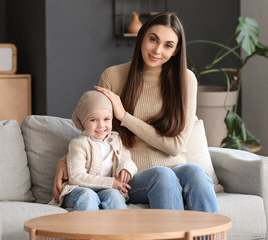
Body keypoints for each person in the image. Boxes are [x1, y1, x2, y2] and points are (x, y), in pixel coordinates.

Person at [53, 12, 219, 213]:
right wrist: (64, 161)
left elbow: (175, 146)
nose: (157, 50)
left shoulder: (186, 80)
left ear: (175, 51)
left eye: (168, 45)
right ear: (142, 37)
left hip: (174, 167)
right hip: (131, 175)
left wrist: (124, 117)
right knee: (163, 175)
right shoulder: (113, 76)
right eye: (153, 39)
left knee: (196, 172)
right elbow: (99, 130)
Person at [49, 90, 137, 211]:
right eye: (93, 120)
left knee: (115, 195)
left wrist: (126, 167)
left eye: (106, 119)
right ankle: (88, 229)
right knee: (88, 196)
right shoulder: (79, 144)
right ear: (83, 122)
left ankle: (121, 229)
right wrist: (110, 183)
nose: (101, 125)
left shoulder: (118, 140)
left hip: (106, 190)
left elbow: (128, 159)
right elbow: (77, 177)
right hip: (79, 190)